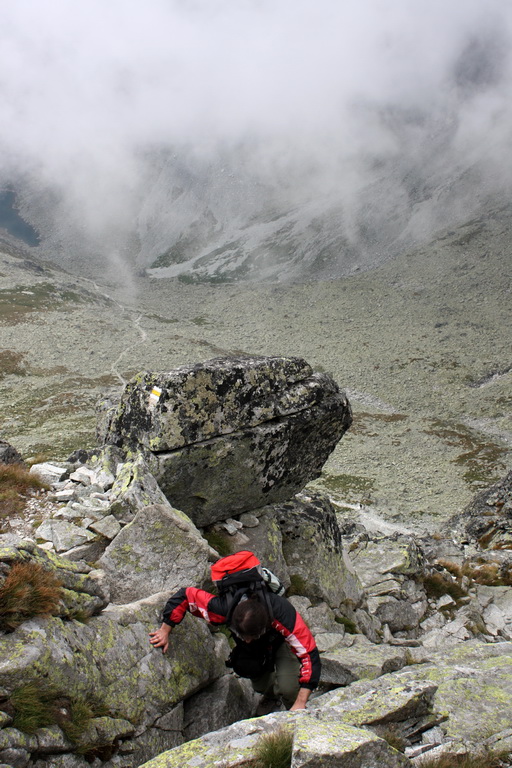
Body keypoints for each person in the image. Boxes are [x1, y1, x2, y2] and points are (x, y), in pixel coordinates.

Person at [149, 584, 321, 712]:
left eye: (249, 636)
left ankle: (295, 712)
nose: (245, 640)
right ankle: (272, 695)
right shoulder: (223, 608)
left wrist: (300, 702)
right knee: (255, 679)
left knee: (289, 688)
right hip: (258, 647)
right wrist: (165, 630)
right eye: (241, 635)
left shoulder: (283, 614)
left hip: (280, 642)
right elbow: (185, 595)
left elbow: (309, 654)